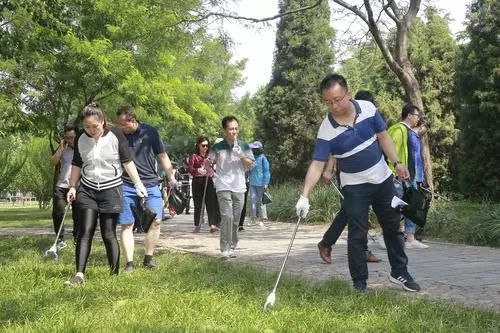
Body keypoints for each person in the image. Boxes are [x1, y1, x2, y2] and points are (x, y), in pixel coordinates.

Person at [295, 74, 420, 293]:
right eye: (328, 102)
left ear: (348, 94)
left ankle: (400, 272)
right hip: (354, 188)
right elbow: (317, 163)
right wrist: (304, 195)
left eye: (338, 99)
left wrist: (397, 163)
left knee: (393, 228)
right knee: (356, 236)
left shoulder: (368, 109)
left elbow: (383, 137)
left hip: (382, 180)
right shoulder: (326, 129)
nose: (334, 105)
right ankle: (360, 283)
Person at [64, 102, 146, 286]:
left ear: (103, 122)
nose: (91, 130)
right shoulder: (80, 139)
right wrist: (72, 186)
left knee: (108, 232)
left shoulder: (116, 135)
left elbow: (127, 161)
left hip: (111, 188)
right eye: (86, 127)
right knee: (85, 231)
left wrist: (138, 183)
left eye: (95, 126)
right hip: (87, 189)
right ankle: (79, 275)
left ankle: (113, 274)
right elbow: (77, 164)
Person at [318, 90, 382, 264]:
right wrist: (328, 170)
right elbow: (334, 150)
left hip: (370, 173)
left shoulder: (367, 117)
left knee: (352, 210)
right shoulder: (342, 118)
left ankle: (330, 243)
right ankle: (356, 249)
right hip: (348, 174)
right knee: (352, 210)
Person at [116, 106, 177, 273]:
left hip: (150, 183)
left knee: (156, 221)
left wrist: (171, 177)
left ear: (133, 120)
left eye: (123, 124)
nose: (121, 127)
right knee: (127, 224)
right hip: (126, 184)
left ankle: (148, 258)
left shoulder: (150, 132)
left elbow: (162, 155)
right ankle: (129, 263)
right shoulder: (118, 135)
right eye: (119, 124)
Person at [208, 116, 254, 258]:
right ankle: (224, 248)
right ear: (224, 131)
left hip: (239, 186)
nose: (234, 131)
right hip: (223, 185)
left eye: (236, 128)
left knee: (235, 218)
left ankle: (232, 245)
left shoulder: (244, 146)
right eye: (230, 129)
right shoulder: (217, 147)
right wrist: (207, 166)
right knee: (226, 216)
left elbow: (251, 164)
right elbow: (209, 161)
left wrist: (240, 155)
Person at [388, 103, 430, 249]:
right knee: (398, 207)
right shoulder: (399, 130)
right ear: (410, 115)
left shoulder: (410, 132)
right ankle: (389, 236)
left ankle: (410, 238)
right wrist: (394, 171)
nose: (418, 118)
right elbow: (390, 151)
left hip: (412, 175)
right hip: (400, 176)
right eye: (417, 115)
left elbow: (414, 153)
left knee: (412, 206)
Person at [49, 126, 79, 249]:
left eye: (71, 137)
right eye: (67, 137)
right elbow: (53, 162)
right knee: (58, 212)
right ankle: (60, 239)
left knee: (78, 214)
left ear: (77, 136)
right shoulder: (63, 147)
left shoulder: (83, 147)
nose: (69, 140)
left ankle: (77, 239)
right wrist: (61, 149)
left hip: (78, 186)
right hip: (62, 186)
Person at [187, 136, 220, 233]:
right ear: (198, 145)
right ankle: (197, 224)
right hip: (197, 181)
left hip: (208, 180)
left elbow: (214, 165)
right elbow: (189, 169)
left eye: (207, 145)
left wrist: (211, 170)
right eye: (203, 145)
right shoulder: (193, 156)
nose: (205, 147)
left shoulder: (210, 156)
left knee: (210, 203)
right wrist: (197, 170)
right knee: (198, 204)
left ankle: (212, 225)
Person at [248, 141, 271, 226]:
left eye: (256, 149)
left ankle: (263, 218)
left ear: (260, 149)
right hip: (252, 183)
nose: (255, 150)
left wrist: (266, 183)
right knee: (252, 201)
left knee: (261, 201)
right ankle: (253, 218)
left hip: (261, 183)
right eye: (253, 149)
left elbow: (266, 171)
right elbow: (248, 170)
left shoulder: (263, 158)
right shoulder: (251, 158)